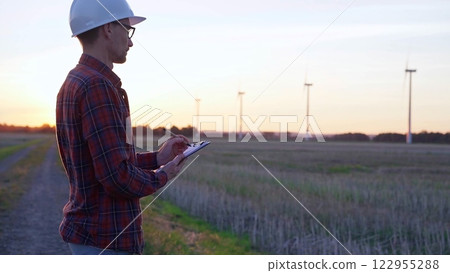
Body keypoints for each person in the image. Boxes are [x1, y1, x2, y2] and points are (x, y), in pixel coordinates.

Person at [56, 0, 188, 255]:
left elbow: (106, 162)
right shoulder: (97, 86)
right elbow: (117, 178)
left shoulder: (75, 80)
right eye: (127, 30)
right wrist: (164, 173)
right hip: (106, 237)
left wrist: (158, 158)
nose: (130, 42)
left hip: (92, 234)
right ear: (108, 29)